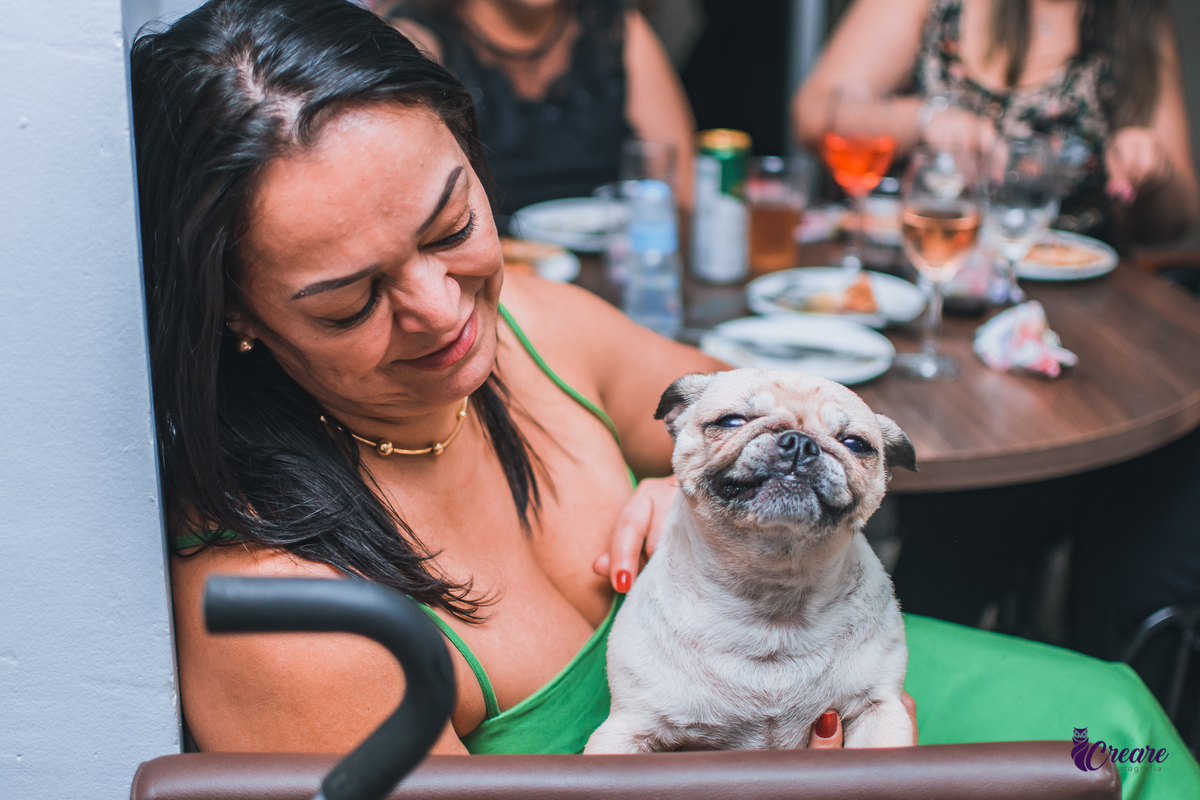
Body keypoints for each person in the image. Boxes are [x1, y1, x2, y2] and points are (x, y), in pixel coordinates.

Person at [131, 1, 1199, 795]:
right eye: (349, 300)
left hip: (828, 693)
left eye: (452, 223)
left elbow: (750, 403)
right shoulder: (279, 606)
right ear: (237, 313)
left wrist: (670, 469)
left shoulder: (534, 329)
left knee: (1116, 725)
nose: (438, 308)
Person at [793, 0, 1200, 245]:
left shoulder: (1138, 20)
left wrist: (1153, 171)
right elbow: (811, 115)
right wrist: (922, 119)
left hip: (1078, 314)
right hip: (924, 276)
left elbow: (1175, 223)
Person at [375, 0, 696, 225]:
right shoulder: (418, 39)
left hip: (616, 276)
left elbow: (683, 192)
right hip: (493, 287)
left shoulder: (614, 26)